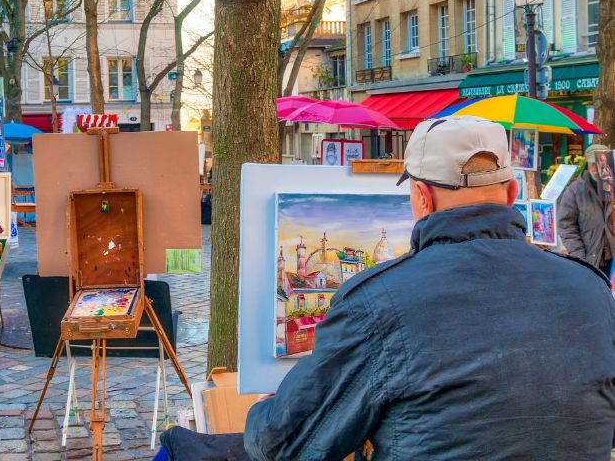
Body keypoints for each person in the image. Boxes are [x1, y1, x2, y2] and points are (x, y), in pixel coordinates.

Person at [244, 116, 615, 460]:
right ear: (510, 191)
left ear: (422, 196)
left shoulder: (376, 303)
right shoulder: (592, 288)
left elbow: (289, 443)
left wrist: (266, 407)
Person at [559, 143, 615, 277]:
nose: (597, 169)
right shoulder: (575, 191)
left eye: (600, 164)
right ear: (587, 165)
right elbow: (566, 226)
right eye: (593, 164)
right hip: (591, 258)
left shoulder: (612, 184)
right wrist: (579, 255)